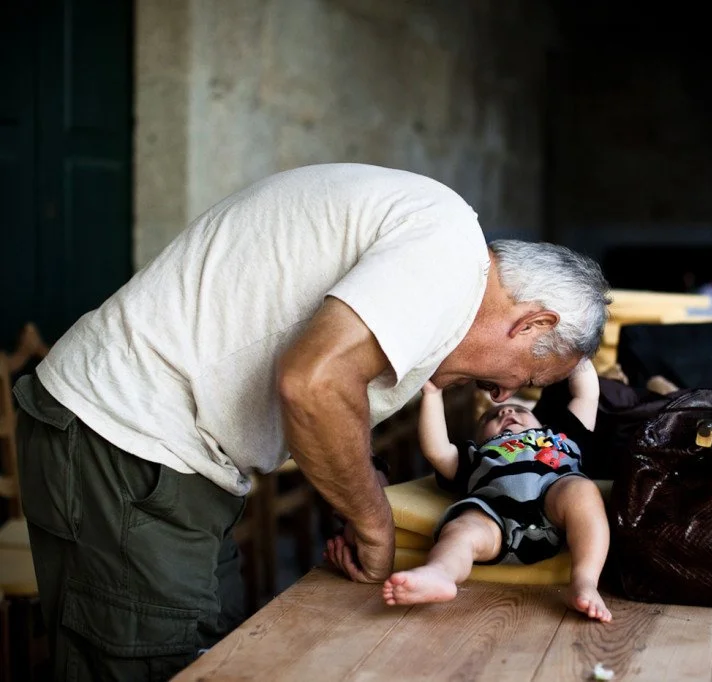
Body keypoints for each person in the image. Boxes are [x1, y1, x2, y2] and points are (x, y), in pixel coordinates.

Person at [13, 163, 610, 679]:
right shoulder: (448, 257)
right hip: (125, 437)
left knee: (209, 654)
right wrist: (374, 525)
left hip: (164, 453)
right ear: (532, 323)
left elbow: (330, 388)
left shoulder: (443, 248)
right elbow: (314, 383)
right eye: (528, 378)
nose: (506, 391)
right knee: (153, 661)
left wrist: (363, 480)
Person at [376, 358, 612, 623]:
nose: (504, 413)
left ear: (541, 422)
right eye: (489, 417)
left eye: (518, 411)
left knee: (582, 492)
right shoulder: (475, 454)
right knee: (461, 530)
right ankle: (440, 572)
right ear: (478, 438)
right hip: (495, 518)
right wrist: (432, 394)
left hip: (553, 501)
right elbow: (437, 450)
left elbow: (586, 394)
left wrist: (576, 357)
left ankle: (585, 581)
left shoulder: (562, 436)